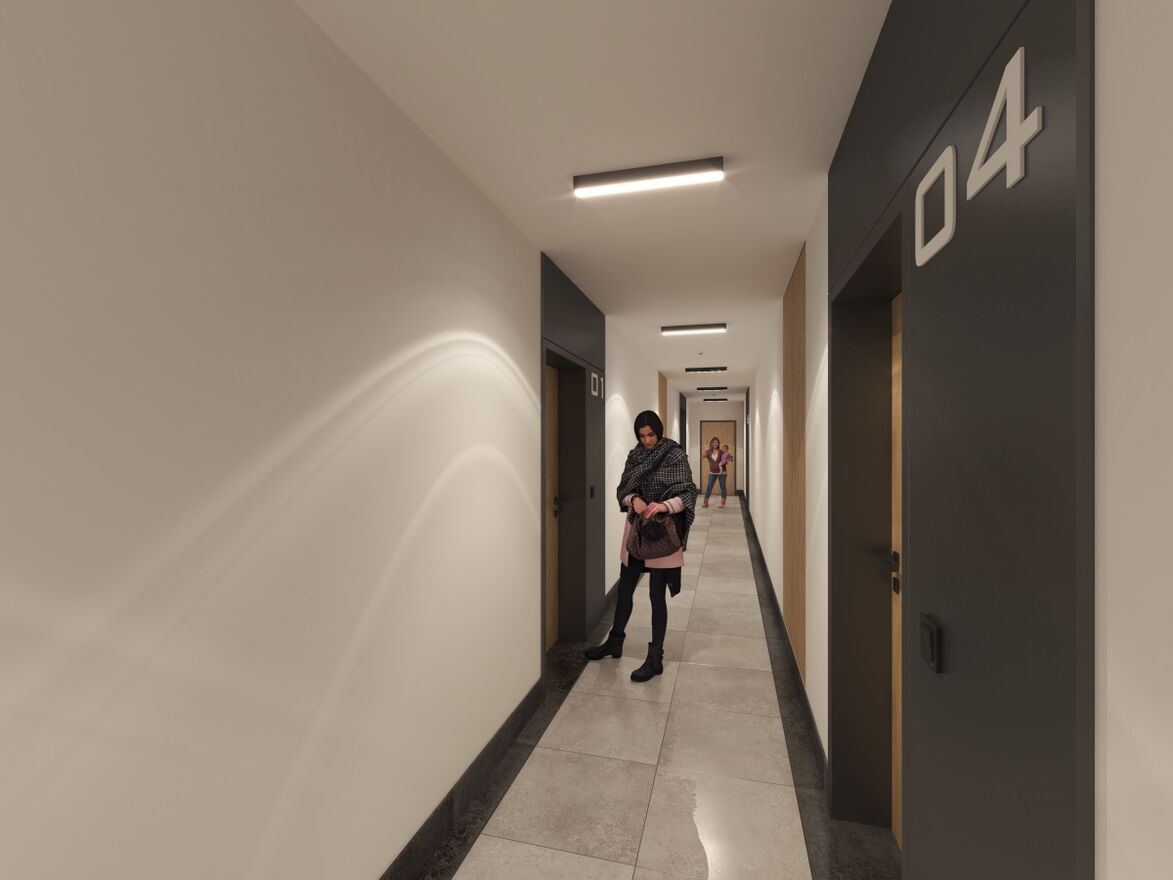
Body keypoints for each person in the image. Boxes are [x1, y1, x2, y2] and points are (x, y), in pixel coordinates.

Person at [584, 411, 698, 682]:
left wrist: (664, 505)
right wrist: (633, 498)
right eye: (641, 436)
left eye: (651, 435)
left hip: (661, 533)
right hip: (636, 532)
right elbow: (622, 489)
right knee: (625, 590)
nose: (646, 440)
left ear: (659, 431)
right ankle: (615, 643)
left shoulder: (674, 455)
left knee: (656, 596)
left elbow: (688, 492)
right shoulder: (635, 456)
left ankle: (655, 657)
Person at [702, 436, 728, 508]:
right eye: (713, 442)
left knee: (722, 487)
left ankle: (723, 502)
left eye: (716, 442)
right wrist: (705, 450)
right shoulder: (708, 451)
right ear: (711, 443)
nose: (715, 444)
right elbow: (702, 457)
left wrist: (726, 461)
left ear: (718, 443)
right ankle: (706, 502)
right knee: (709, 487)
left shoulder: (721, 451)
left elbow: (726, 460)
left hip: (722, 473)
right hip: (712, 473)